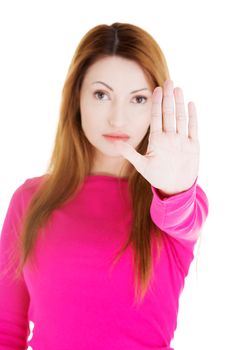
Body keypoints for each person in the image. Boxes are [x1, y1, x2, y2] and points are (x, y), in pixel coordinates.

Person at [0, 22, 209, 350]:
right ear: (77, 99)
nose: (118, 118)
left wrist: (177, 189)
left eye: (138, 99)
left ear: (156, 107)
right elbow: (5, 331)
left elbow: (184, 217)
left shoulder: (172, 201)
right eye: (101, 94)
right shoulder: (30, 201)